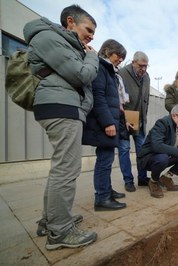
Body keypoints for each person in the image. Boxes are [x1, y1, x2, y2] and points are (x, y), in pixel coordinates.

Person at [24, 4, 98, 250]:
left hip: (62, 106)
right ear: (70, 22)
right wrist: (92, 56)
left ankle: (51, 220)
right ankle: (60, 231)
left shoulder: (61, 42)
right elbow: (80, 75)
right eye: (88, 30)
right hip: (60, 107)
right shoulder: (49, 37)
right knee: (67, 169)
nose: (90, 37)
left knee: (60, 168)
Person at [82, 39, 127, 211]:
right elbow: (98, 96)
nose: (120, 60)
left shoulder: (108, 70)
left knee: (107, 157)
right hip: (104, 122)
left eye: (122, 58)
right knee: (104, 160)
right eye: (118, 56)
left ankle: (106, 190)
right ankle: (102, 198)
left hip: (110, 119)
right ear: (107, 51)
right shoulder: (100, 67)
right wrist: (108, 122)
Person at [137, 104, 178, 198]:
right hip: (149, 158)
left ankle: (166, 178)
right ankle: (153, 181)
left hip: (166, 157)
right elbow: (157, 145)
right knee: (162, 158)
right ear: (174, 115)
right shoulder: (162, 123)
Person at [118, 51, 151, 191]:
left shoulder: (147, 77)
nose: (143, 69)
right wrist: (122, 116)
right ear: (133, 62)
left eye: (146, 66)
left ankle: (142, 178)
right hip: (125, 116)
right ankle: (128, 180)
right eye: (141, 66)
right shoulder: (121, 73)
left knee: (142, 150)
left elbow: (146, 99)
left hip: (140, 117)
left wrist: (144, 116)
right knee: (124, 149)